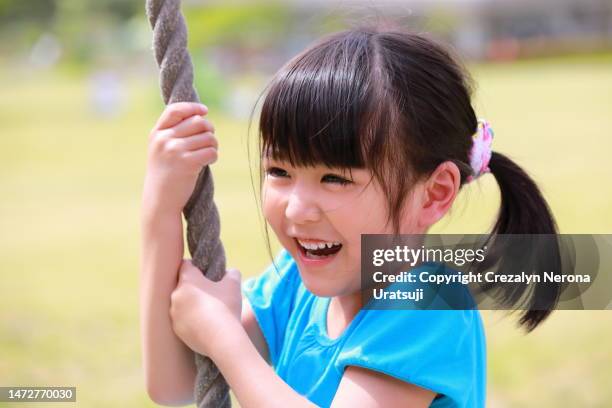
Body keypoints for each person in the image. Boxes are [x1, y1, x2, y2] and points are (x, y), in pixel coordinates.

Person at [140, 26, 561, 407]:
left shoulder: (430, 308)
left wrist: (224, 338)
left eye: (335, 178)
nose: (296, 209)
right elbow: (174, 384)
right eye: (279, 172)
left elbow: (220, 349)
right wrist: (160, 208)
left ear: (434, 194)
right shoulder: (294, 284)